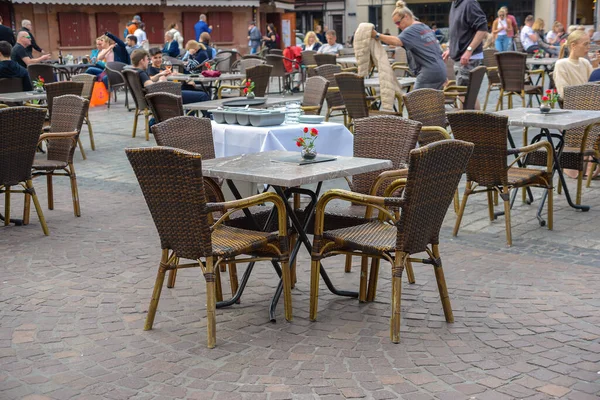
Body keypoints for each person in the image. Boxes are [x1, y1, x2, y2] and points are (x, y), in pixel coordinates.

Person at [555, 30, 600, 179]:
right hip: (572, 111)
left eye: (589, 43)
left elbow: (593, 86)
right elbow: (563, 93)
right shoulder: (562, 64)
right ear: (573, 45)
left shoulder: (585, 63)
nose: (589, 47)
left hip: (590, 108)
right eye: (585, 44)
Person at [372, 1, 446, 90]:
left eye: (398, 23)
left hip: (428, 73)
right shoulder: (424, 27)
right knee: (433, 102)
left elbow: (396, 41)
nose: (397, 26)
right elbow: (438, 50)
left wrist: (376, 35)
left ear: (406, 16)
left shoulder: (411, 30)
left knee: (415, 101)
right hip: (440, 71)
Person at [130, 48, 209, 105]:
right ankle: (210, 121)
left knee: (189, 88)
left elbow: (150, 82)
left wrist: (160, 75)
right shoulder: (141, 73)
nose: (148, 61)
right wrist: (162, 81)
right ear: (142, 61)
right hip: (166, 98)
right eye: (147, 59)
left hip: (159, 98)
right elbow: (151, 87)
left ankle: (191, 119)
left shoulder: (133, 72)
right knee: (203, 95)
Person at [442, 0, 487, 87]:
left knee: (464, 94)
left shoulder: (469, 3)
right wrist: (451, 48)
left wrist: (469, 50)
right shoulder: (455, 4)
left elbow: (482, 28)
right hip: (460, 57)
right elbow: (458, 31)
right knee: (467, 95)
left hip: (469, 58)